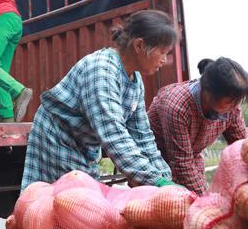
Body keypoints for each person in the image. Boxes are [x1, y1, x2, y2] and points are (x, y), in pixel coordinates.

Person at [21, 10, 178, 190]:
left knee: (85, 201)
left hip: (85, 147)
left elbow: (142, 136)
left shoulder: (135, 81)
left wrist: (164, 177)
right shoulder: (101, 70)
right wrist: (153, 180)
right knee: (67, 204)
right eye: (163, 52)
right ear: (139, 45)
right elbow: (114, 135)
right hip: (58, 139)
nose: (164, 60)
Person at [148, 57, 248, 195]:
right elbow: (182, 165)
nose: (235, 105)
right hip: (155, 163)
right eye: (231, 100)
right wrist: (206, 201)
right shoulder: (177, 106)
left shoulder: (231, 107)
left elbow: (240, 147)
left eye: (238, 100)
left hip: (191, 159)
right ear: (209, 92)